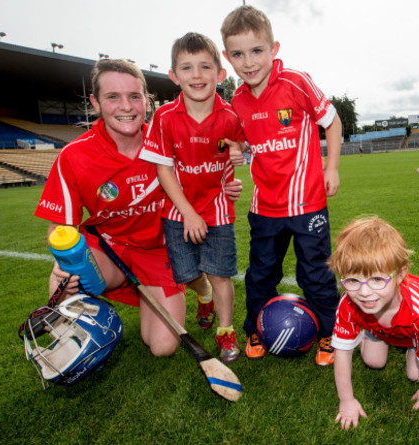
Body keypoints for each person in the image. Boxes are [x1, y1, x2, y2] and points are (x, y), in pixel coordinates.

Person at [35, 59, 242, 357]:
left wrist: (226, 186)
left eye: (134, 96)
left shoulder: (171, 139)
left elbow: (205, 177)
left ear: (147, 100)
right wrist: (62, 262)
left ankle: (200, 291)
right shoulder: (74, 155)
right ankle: (73, 336)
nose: (126, 107)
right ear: (95, 102)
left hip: (159, 250)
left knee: (162, 347)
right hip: (108, 249)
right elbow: (59, 226)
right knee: (64, 274)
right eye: (112, 97)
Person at [221, 5, 343, 366]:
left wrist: (331, 167)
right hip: (265, 209)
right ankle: (256, 330)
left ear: (274, 49)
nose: (249, 61)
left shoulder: (296, 82)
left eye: (256, 50)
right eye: (238, 54)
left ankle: (330, 334)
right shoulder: (237, 100)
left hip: (307, 204)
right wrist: (235, 150)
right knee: (260, 274)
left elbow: (332, 123)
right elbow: (240, 141)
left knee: (316, 275)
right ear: (228, 58)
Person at [139, 32, 244, 363]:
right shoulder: (165, 118)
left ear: (220, 74)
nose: (197, 76)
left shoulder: (231, 116)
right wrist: (188, 213)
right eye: (187, 68)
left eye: (205, 67)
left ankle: (226, 332)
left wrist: (240, 155)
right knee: (186, 274)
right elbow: (164, 171)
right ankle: (203, 295)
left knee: (221, 273)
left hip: (218, 212)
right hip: (178, 214)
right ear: (174, 76)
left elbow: (243, 149)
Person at [328, 216, 419, 429]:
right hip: (378, 327)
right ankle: (368, 335)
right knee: (374, 362)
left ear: (401, 274)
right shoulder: (348, 302)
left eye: (377, 279)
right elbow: (342, 353)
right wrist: (346, 401)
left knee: (415, 375)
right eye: (353, 280)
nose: (364, 292)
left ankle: (412, 348)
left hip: (414, 333)